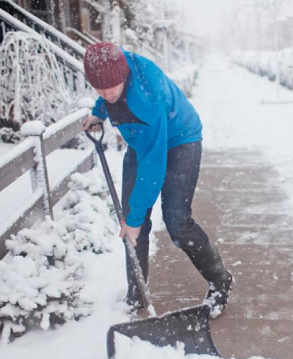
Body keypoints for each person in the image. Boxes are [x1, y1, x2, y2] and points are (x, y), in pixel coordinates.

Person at [82, 42, 233, 318]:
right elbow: (106, 92)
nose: (106, 93)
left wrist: (136, 219)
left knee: (176, 221)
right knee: (130, 222)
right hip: (143, 142)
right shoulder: (110, 67)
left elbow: (153, 166)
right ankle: (136, 293)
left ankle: (220, 281)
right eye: (98, 89)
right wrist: (98, 110)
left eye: (112, 87)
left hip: (180, 139)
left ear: (124, 75)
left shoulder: (147, 97)